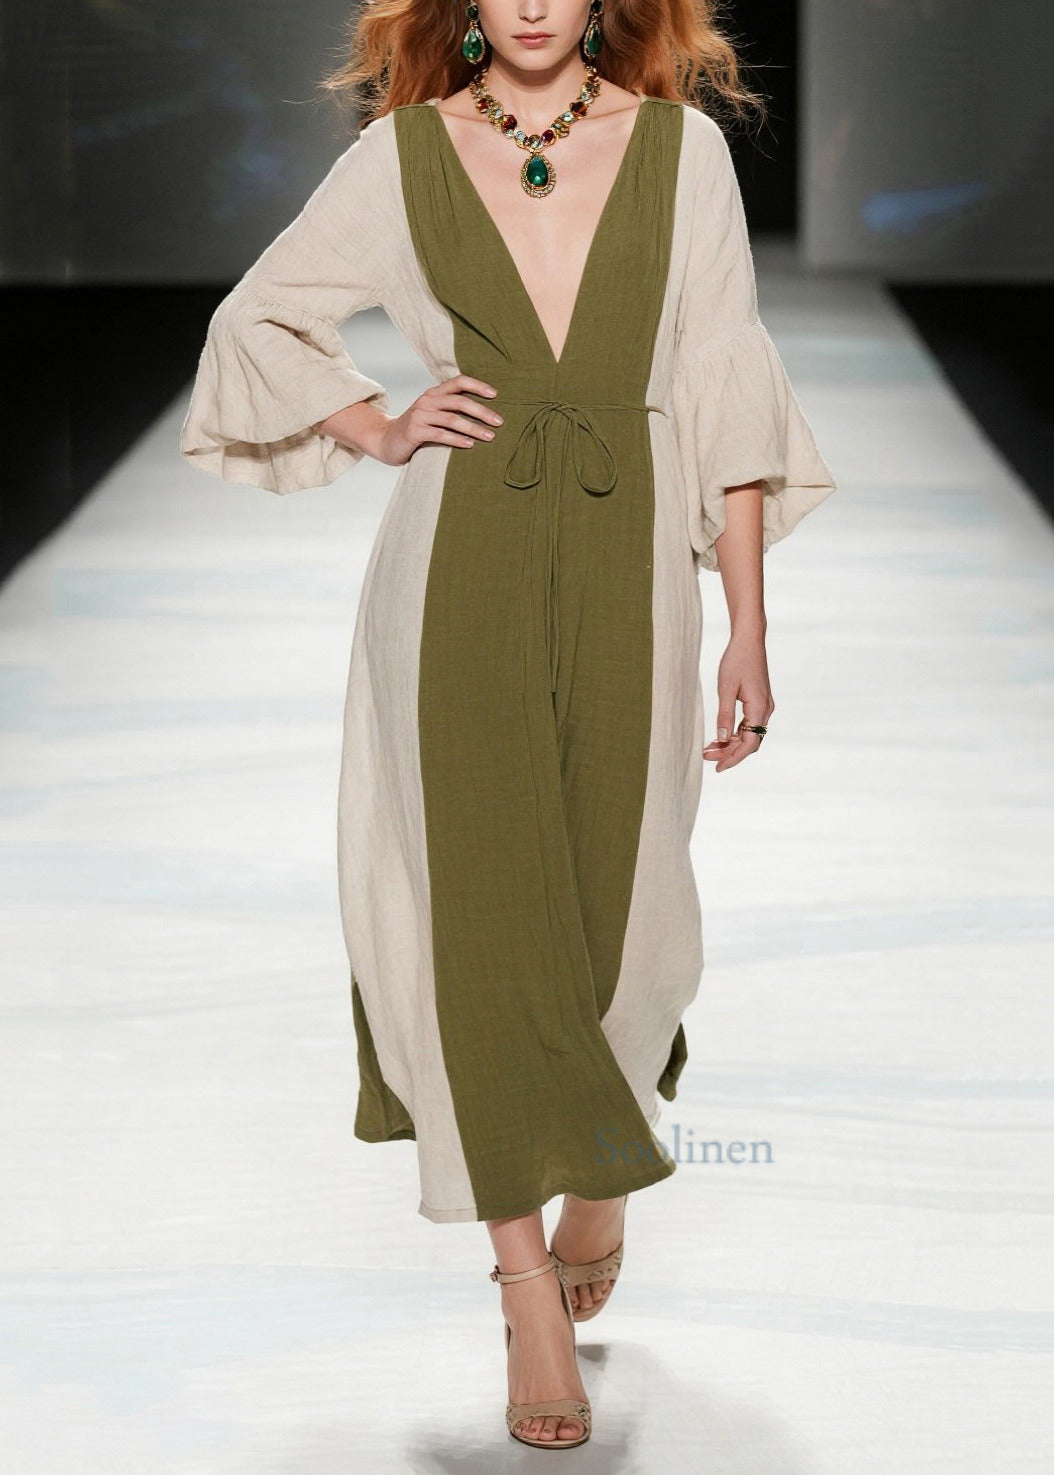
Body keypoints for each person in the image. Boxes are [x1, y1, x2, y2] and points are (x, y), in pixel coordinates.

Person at [180, 0, 837, 1451]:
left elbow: (726, 377)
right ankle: (523, 1286)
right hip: (456, 562)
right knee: (481, 916)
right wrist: (378, 423)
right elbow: (260, 314)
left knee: (622, 912)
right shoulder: (406, 153)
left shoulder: (680, 151)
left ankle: (606, 1153)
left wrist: (748, 623)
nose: (531, 1)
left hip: (629, 562)